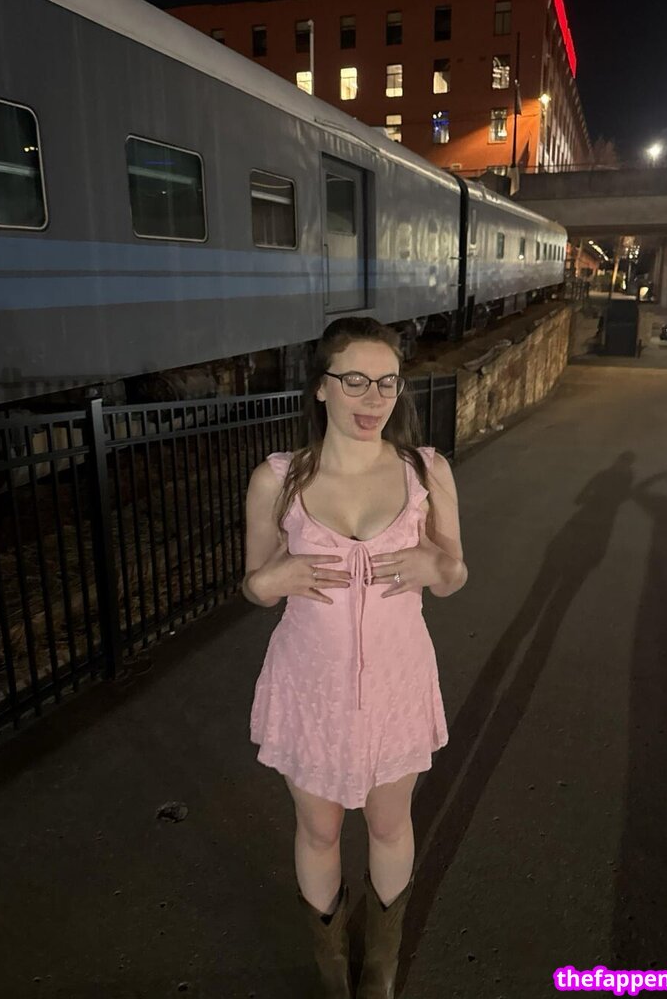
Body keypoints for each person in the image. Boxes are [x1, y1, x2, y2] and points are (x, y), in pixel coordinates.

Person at [242, 316, 467, 997]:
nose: (374, 400)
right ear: (321, 387)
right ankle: (332, 969)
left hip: (397, 683)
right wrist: (273, 579)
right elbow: (254, 585)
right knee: (318, 829)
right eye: (356, 381)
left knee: (391, 823)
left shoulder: (426, 471)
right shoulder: (278, 480)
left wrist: (438, 566)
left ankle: (381, 967)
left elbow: (455, 574)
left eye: (388, 383)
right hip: (309, 687)